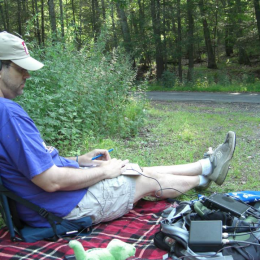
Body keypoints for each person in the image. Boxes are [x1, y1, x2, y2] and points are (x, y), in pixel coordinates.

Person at [0, 31, 236, 228]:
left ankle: (205, 166)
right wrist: (105, 171)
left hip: (50, 203)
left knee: (132, 169)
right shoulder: (7, 112)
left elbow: (30, 165)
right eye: (20, 68)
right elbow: (51, 181)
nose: (27, 75)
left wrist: (78, 159)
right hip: (62, 208)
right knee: (142, 178)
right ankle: (203, 177)